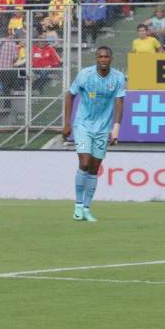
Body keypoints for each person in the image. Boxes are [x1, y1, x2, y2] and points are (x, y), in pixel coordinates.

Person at [62, 46, 126, 223]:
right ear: (96, 59)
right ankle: (78, 206)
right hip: (83, 125)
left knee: (94, 168)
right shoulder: (85, 75)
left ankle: (87, 209)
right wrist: (67, 123)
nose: (103, 59)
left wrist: (116, 128)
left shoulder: (118, 78)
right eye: (100, 57)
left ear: (111, 59)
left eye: (106, 56)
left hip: (103, 129)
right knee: (84, 162)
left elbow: (120, 102)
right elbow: (70, 95)